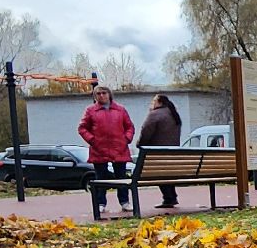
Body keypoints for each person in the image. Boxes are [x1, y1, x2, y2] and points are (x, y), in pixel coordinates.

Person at [78, 86, 135, 214]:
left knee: (121, 177)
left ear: (109, 94)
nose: (101, 96)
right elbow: (82, 128)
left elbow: (129, 127)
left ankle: (125, 202)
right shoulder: (90, 111)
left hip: (119, 148)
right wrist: (93, 140)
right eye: (98, 94)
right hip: (99, 150)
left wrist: (126, 139)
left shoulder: (120, 110)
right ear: (95, 96)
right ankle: (100, 203)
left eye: (104, 93)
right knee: (100, 178)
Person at [138, 93, 184, 208]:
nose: (152, 103)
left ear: (159, 102)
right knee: (168, 174)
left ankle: (168, 197)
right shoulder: (173, 114)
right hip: (172, 153)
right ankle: (171, 197)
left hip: (157, 153)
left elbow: (146, 131)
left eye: (153, 101)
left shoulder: (155, 114)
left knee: (158, 173)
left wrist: (140, 144)